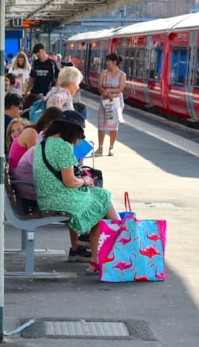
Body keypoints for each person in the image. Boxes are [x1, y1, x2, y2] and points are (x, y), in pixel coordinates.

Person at [32, 109, 120, 274]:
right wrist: (85, 181)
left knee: (99, 202)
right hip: (59, 198)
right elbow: (70, 181)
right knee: (103, 197)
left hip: (47, 196)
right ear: (72, 132)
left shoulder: (43, 142)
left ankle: (97, 260)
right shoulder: (64, 146)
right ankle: (121, 242)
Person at [9, 105, 62, 171]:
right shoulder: (31, 133)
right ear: (51, 123)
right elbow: (38, 162)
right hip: (21, 178)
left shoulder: (35, 133)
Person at [96, 52, 127, 156]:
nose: (106, 63)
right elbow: (100, 87)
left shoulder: (122, 75)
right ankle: (100, 148)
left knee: (113, 125)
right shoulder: (103, 73)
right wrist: (105, 92)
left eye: (108, 61)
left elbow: (120, 88)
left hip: (115, 101)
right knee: (101, 124)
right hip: (104, 101)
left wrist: (109, 91)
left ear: (114, 62)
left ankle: (111, 147)